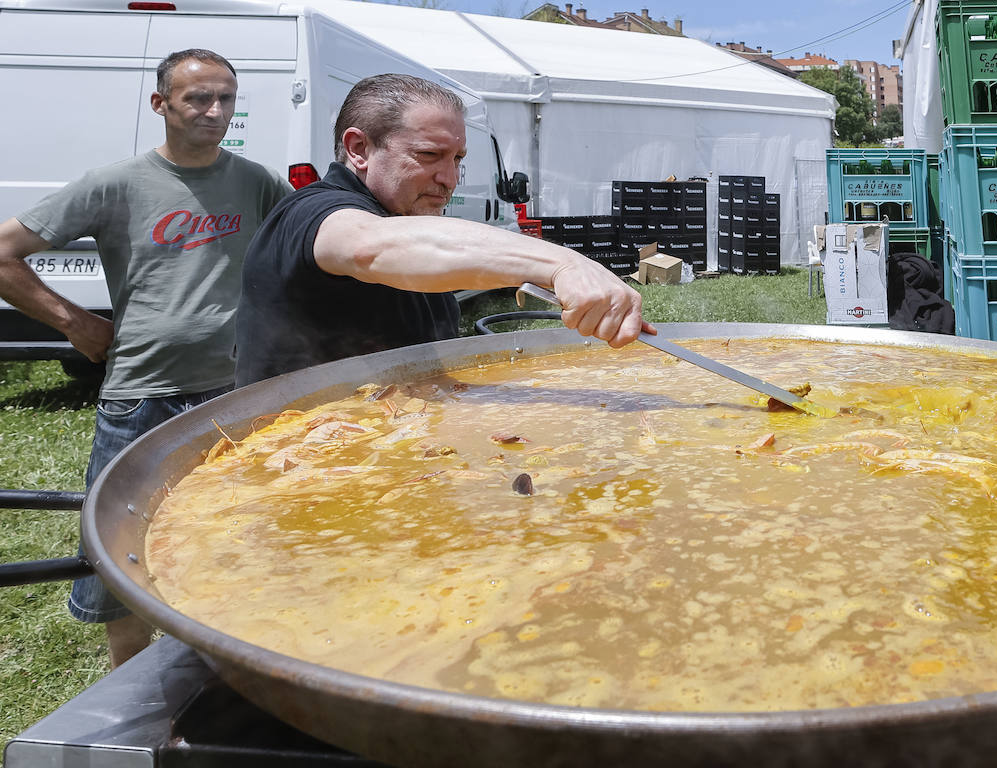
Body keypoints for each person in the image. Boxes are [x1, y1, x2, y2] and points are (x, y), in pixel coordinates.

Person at [0, 49, 292, 667]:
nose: (214, 112)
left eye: (226, 99)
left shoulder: (257, 182)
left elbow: (298, 260)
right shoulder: (114, 184)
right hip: (142, 397)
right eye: (197, 99)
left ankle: (220, 681)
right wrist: (74, 322)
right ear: (161, 104)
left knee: (235, 545)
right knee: (122, 560)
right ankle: (132, 700)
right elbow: (4, 253)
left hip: (235, 397)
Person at [234, 73, 649, 387]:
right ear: (359, 148)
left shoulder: (404, 219)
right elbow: (369, 247)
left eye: (457, 159)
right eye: (429, 155)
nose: (449, 178)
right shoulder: (313, 210)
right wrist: (563, 263)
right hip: (302, 460)